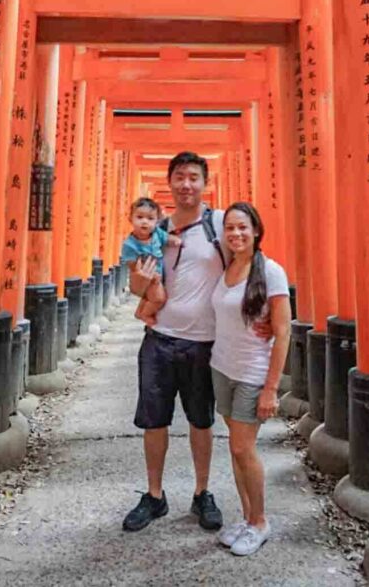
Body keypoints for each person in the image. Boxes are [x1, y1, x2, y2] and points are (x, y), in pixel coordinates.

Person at [122, 151, 228, 533]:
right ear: (169, 183)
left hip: (204, 343)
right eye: (180, 177)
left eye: (193, 177)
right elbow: (135, 286)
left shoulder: (219, 226)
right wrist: (145, 279)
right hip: (160, 340)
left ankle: (202, 493)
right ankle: (154, 495)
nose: (186, 184)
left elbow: (246, 267)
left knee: (201, 421)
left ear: (205, 182)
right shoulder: (155, 231)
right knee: (155, 422)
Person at [209, 202, 291, 556]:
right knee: (235, 446)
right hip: (222, 368)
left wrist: (271, 388)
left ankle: (259, 521)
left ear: (256, 230)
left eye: (243, 227)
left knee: (244, 448)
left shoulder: (271, 272)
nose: (236, 234)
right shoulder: (228, 267)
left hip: (252, 373)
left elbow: (283, 331)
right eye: (229, 228)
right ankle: (245, 517)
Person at [120, 197, 181, 326]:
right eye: (140, 217)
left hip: (158, 274)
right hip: (149, 276)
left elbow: (166, 238)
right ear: (130, 218)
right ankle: (145, 314)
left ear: (157, 221)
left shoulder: (157, 234)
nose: (145, 222)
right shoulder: (130, 244)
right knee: (159, 299)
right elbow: (132, 265)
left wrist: (174, 240)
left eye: (150, 218)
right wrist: (141, 273)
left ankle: (139, 311)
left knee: (150, 297)